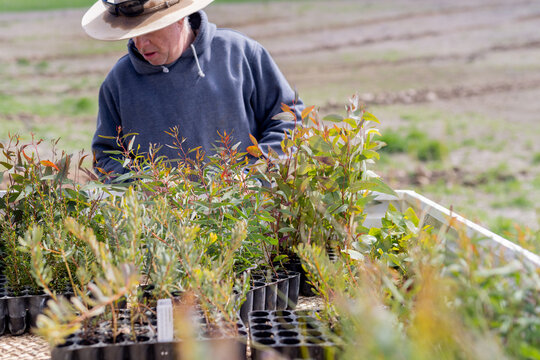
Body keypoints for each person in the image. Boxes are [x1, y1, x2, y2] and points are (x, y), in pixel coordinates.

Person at [81, 0, 304, 177]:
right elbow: (106, 155)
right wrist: (147, 190)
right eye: (133, 33)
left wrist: (252, 176)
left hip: (250, 215)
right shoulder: (118, 81)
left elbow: (289, 119)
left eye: (149, 31)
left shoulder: (240, 53)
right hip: (163, 228)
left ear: (178, 18)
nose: (140, 43)